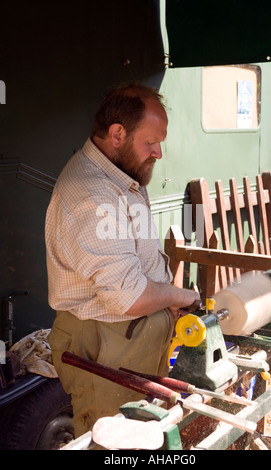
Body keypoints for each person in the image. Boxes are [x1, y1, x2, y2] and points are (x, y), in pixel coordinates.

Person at [45, 82, 200, 439]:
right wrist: (180, 297)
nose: (159, 152)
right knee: (114, 443)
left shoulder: (122, 174)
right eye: (151, 141)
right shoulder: (92, 193)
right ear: (117, 134)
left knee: (141, 437)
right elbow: (129, 297)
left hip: (128, 341)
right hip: (105, 347)